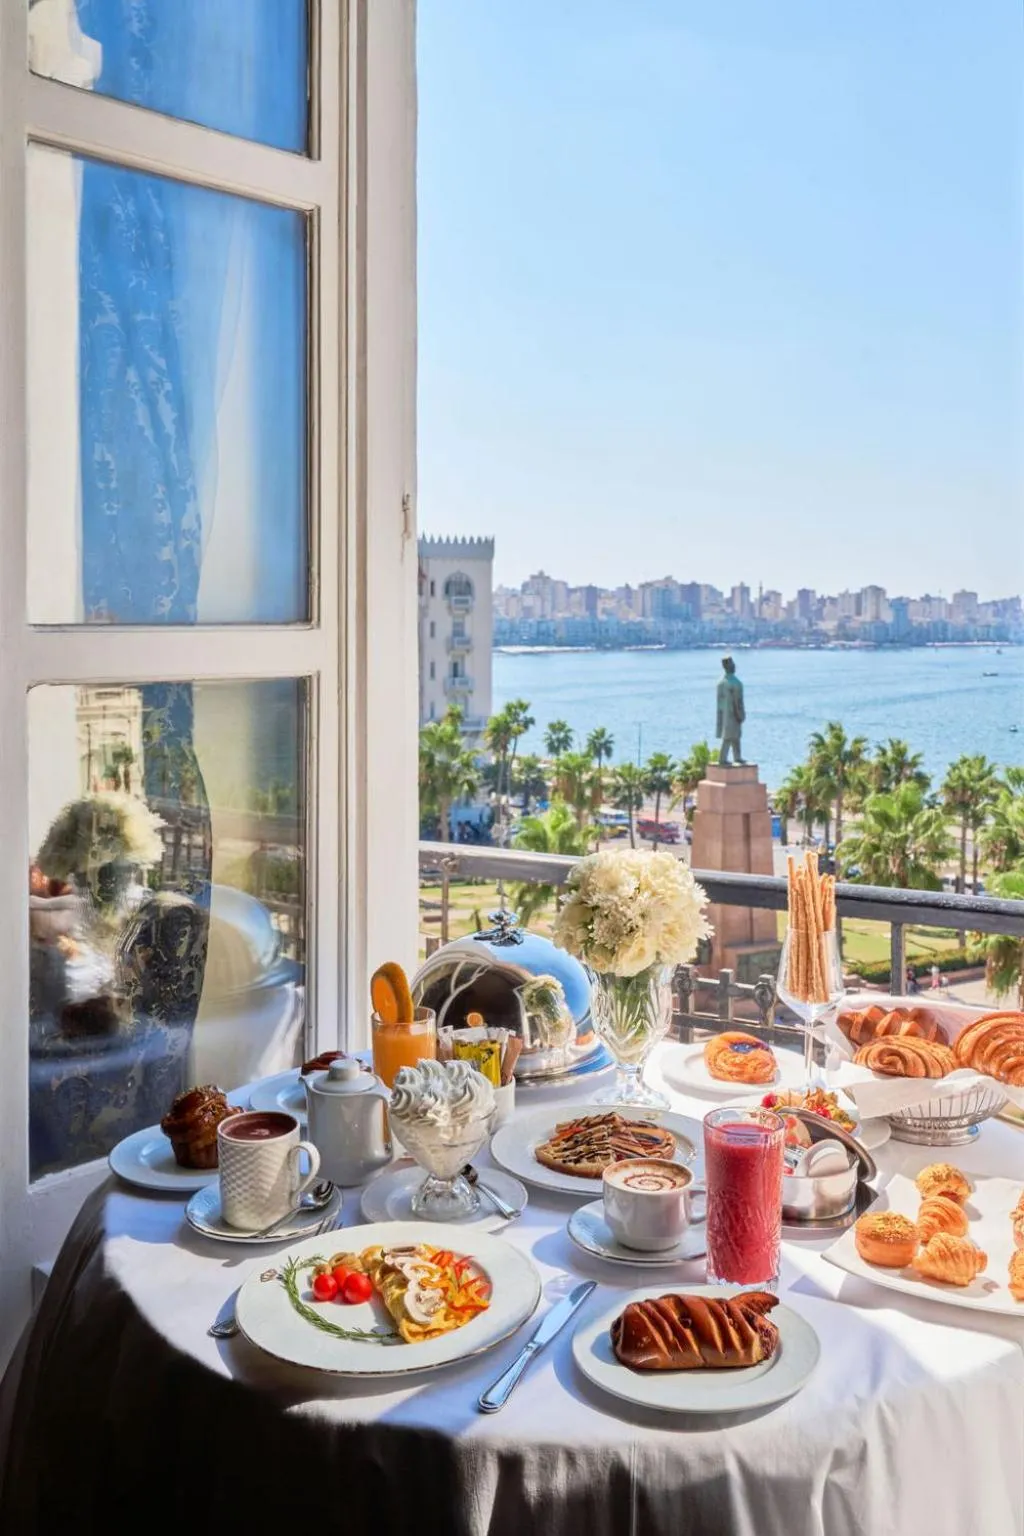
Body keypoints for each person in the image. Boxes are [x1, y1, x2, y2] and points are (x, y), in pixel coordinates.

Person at [716, 655, 746, 765]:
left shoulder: (720, 683)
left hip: (723, 715)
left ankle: (737, 757)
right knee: (729, 737)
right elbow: (738, 702)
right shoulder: (735, 683)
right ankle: (723, 758)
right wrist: (741, 715)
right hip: (733, 714)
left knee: (735, 737)